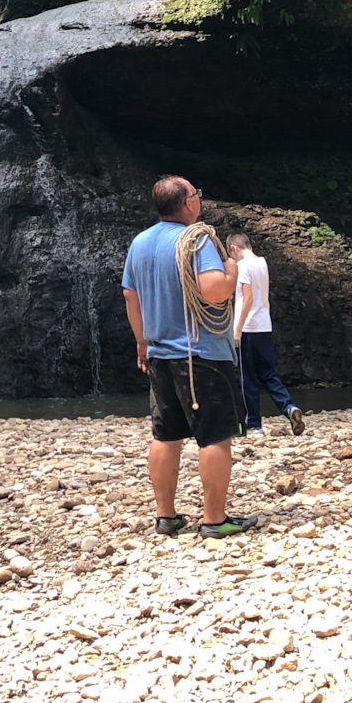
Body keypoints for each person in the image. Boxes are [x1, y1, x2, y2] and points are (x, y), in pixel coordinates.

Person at [122, 174, 256, 539]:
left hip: (160, 354)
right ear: (188, 204)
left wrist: (142, 342)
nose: (199, 199)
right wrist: (231, 272)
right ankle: (214, 519)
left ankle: (166, 516)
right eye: (196, 194)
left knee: (165, 435)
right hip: (202, 354)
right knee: (215, 437)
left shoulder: (140, 242)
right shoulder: (195, 240)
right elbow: (213, 291)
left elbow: (130, 296)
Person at [226, 231, 306, 437]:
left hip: (248, 328)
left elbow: (248, 298)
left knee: (247, 378)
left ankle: (254, 425)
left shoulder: (242, 266)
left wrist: (237, 329)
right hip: (264, 326)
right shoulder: (262, 263)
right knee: (268, 375)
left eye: (230, 253)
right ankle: (288, 407)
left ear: (234, 249)